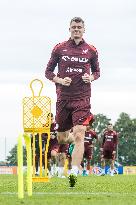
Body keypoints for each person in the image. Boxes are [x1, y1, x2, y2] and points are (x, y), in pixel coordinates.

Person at [45, 17, 100, 187]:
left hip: (82, 99)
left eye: (79, 27)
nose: (77, 29)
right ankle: (71, 143)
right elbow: (48, 72)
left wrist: (90, 77)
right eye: (74, 27)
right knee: (62, 139)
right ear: (69, 29)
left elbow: (97, 71)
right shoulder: (59, 48)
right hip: (63, 99)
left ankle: (74, 172)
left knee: (79, 134)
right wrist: (60, 81)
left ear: (84, 30)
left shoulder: (91, 50)